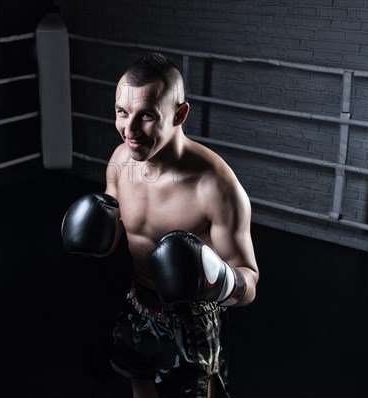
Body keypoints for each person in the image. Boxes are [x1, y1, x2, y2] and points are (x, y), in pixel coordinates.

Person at [61, 52, 259, 398]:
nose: (131, 130)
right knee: (140, 387)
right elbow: (116, 233)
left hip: (194, 321)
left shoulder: (216, 186)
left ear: (179, 114)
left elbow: (250, 283)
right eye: (122, 113)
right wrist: (92, 227)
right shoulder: (121, 160)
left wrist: (215, 278)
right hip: (139, 304)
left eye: (147, 116)